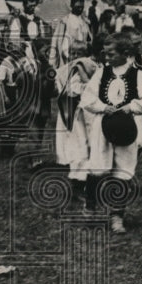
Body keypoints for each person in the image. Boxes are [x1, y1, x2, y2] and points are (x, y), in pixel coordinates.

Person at [78, 34, 142, 233]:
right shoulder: (101, 73)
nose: (107, 57)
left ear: (126, 54)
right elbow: (87, 98)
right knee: (98, 168)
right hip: (102, 126)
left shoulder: (137, 75)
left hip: (127, 127)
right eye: (105, 53)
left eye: (111, 54)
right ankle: (90, 207)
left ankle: (117, 215)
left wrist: (132, 106)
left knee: (123, 171)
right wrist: (103, 107)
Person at [54, 41, 97, 189]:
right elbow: (71, 89)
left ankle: (86, 178)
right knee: (79, 145)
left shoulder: (84, 67)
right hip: (74, 112)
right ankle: (78, 181)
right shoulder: (69, 70)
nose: (75, 57)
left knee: (88, 143)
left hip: (83, 111)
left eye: (78, 54)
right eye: (72, 53)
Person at [51, 0, 93, 69]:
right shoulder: (65, 21)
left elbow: (89, 39)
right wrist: (52, 58)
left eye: (82, 7)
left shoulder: (84, 21)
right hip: (68, 56)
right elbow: (55, 40)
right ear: (71, 6)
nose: (80, 9)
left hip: (81, 55)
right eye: (77, 7)